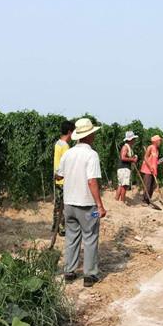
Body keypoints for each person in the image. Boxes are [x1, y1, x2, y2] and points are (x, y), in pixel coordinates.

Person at [56, 118, 106, 288]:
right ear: (90, 134)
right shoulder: (91, 155)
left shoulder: (68, 153)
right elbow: (92, 181)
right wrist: (99, 206)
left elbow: (59, 175)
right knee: (90, 237)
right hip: (87, 207)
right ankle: (89, 275)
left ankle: (69, 272)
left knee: (71, 237)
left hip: (69, 205)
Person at [52, 120, 75, 236]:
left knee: (57, 204)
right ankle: (61, 229)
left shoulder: (58, 143)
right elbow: (67, 165)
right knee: (63, 206)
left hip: (57, 178)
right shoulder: (65, 146)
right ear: (70, 132)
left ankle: (55, 226)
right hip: (63, 180)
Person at [115, 131, 139, 203]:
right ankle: (122, 201)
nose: (134, 140)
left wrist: (133, 157)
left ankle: (116, 200)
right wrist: (133, 159)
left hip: (123, 168)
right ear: (130, 140)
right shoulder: (125, 147)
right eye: (134, 139)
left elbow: (127, 157)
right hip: (124, 168)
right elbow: (123, 157)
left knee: (120, 184)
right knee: (124, 185)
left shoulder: (129, 147)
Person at [140, 135, 162, 204]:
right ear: (155, 141)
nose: (160, 142)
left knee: (152, 186)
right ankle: (145, 200)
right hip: (148, 170)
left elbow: (154, 161)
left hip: (154, 171)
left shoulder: (157, 150)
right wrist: (150, 167)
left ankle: (149, 200)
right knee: (147, 185)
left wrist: (159, 162)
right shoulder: (150, 147)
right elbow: (145, 158)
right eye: (159, 141)